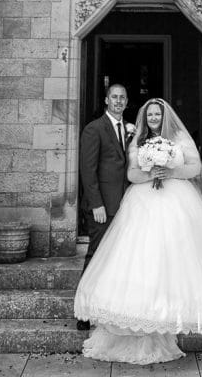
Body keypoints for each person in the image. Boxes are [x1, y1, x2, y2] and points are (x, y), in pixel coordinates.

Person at [74, 98, 202, 364]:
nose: (153, 118)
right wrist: (152, 174)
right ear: (144, 116)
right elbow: (132, 175)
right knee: (141, 257)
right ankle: (142, 316)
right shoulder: (137, 140)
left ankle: (168, 316)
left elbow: (195, 168)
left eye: (157, 114)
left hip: (176, 200)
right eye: (149, 114)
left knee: (172, 255)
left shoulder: (179, 137)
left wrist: (169, 170)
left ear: (164, 115)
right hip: (142, 202)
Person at [76, 83, 130, 330]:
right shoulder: (94, 129)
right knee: (95, 256)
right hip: (102, 208)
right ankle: (82, 313)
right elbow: (88, 171)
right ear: (106, 100)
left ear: (126, 102)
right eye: (114, 97)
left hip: (124, 206)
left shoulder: (129, 130)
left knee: (116, 259)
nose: (118, 101)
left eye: (122, 98)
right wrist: (96, 203)